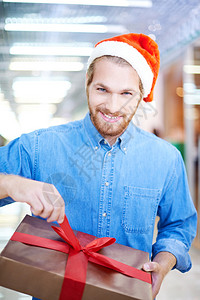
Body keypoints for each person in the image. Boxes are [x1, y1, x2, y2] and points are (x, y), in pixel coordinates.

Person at [0, 33, 197, 299]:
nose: (113, 107)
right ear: (87, 84)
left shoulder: (166, 159)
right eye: (102, 89)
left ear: (141, 96)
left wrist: (162, 264)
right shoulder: (37, 147)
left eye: (126, 93)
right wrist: (11, 183)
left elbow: (179, 224)